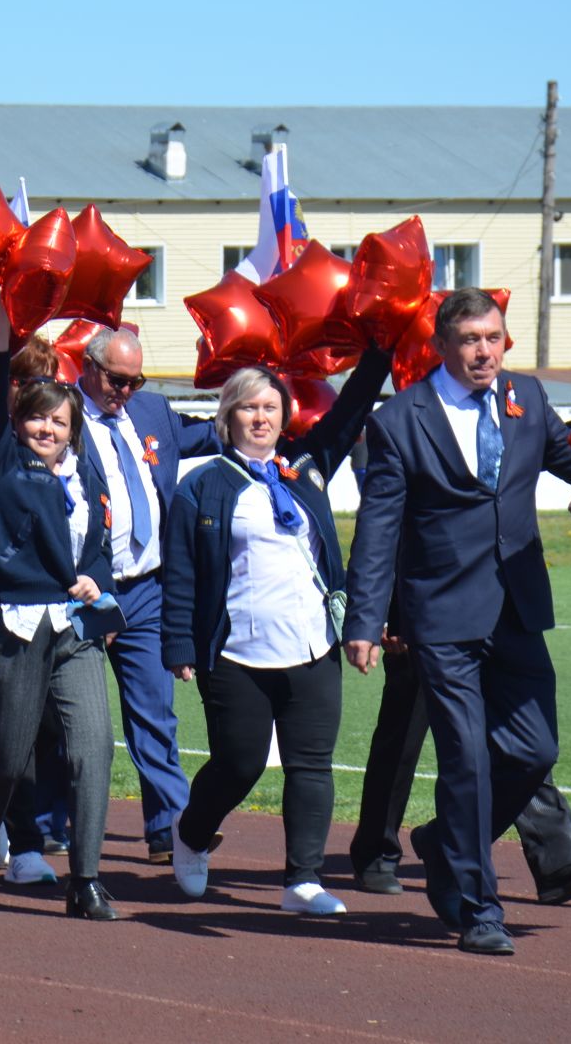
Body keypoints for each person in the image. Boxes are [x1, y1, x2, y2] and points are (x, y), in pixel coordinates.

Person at [344, 287, 571, 956]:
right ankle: (477, 909)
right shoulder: (401, 419)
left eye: (492, 337)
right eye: (469, 340)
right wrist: (365, 619)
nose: (483, 350)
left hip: (517, 609)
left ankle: (443, 841)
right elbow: (378, 527)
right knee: (466, 759)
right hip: (442, 618)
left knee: (535, 751)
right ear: (441, 347)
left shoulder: (528, 399)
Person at [158, 349, 390, 915]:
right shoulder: (203, 485)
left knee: (311, 764)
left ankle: (303, 880)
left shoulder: (305, 466)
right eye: (247, 408)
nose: (260, 418)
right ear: (227, 417)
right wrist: (180, 645)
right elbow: (182, 570)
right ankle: (189, 836)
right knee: (238, 762)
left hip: (311, 643)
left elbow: (352, 410)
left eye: (270, 407)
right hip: (236, 651)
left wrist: (382, 350)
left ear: (285, 416)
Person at [0, 303, 118, 921]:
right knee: (10, 755)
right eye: (37, 420)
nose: (47, 429)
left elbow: (99, 549)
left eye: (58, 421)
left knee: (93, 746)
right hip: (15, 628)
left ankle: (88, 878)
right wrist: (1, 325)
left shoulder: (84, 476)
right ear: (18, 424)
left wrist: (92, 581)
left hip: (74, 629)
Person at [75, 328, 219, 864]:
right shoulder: (59, 413)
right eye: (117, 380)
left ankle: (176, 832)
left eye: (136, 381)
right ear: (88, 367)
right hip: (86, 591)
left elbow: (203, 438)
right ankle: (44, 826)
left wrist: (265, 406)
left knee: (156, 714)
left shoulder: (153, 411)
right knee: (73, 719)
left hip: (149, 588)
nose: (126, 391)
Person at [348, 634, 571, 903]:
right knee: (405, 730)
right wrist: (390, 616)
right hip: (425, 616)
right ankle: (375, 852)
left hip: (492, 617)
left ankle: (555, 859)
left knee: (520, 738)